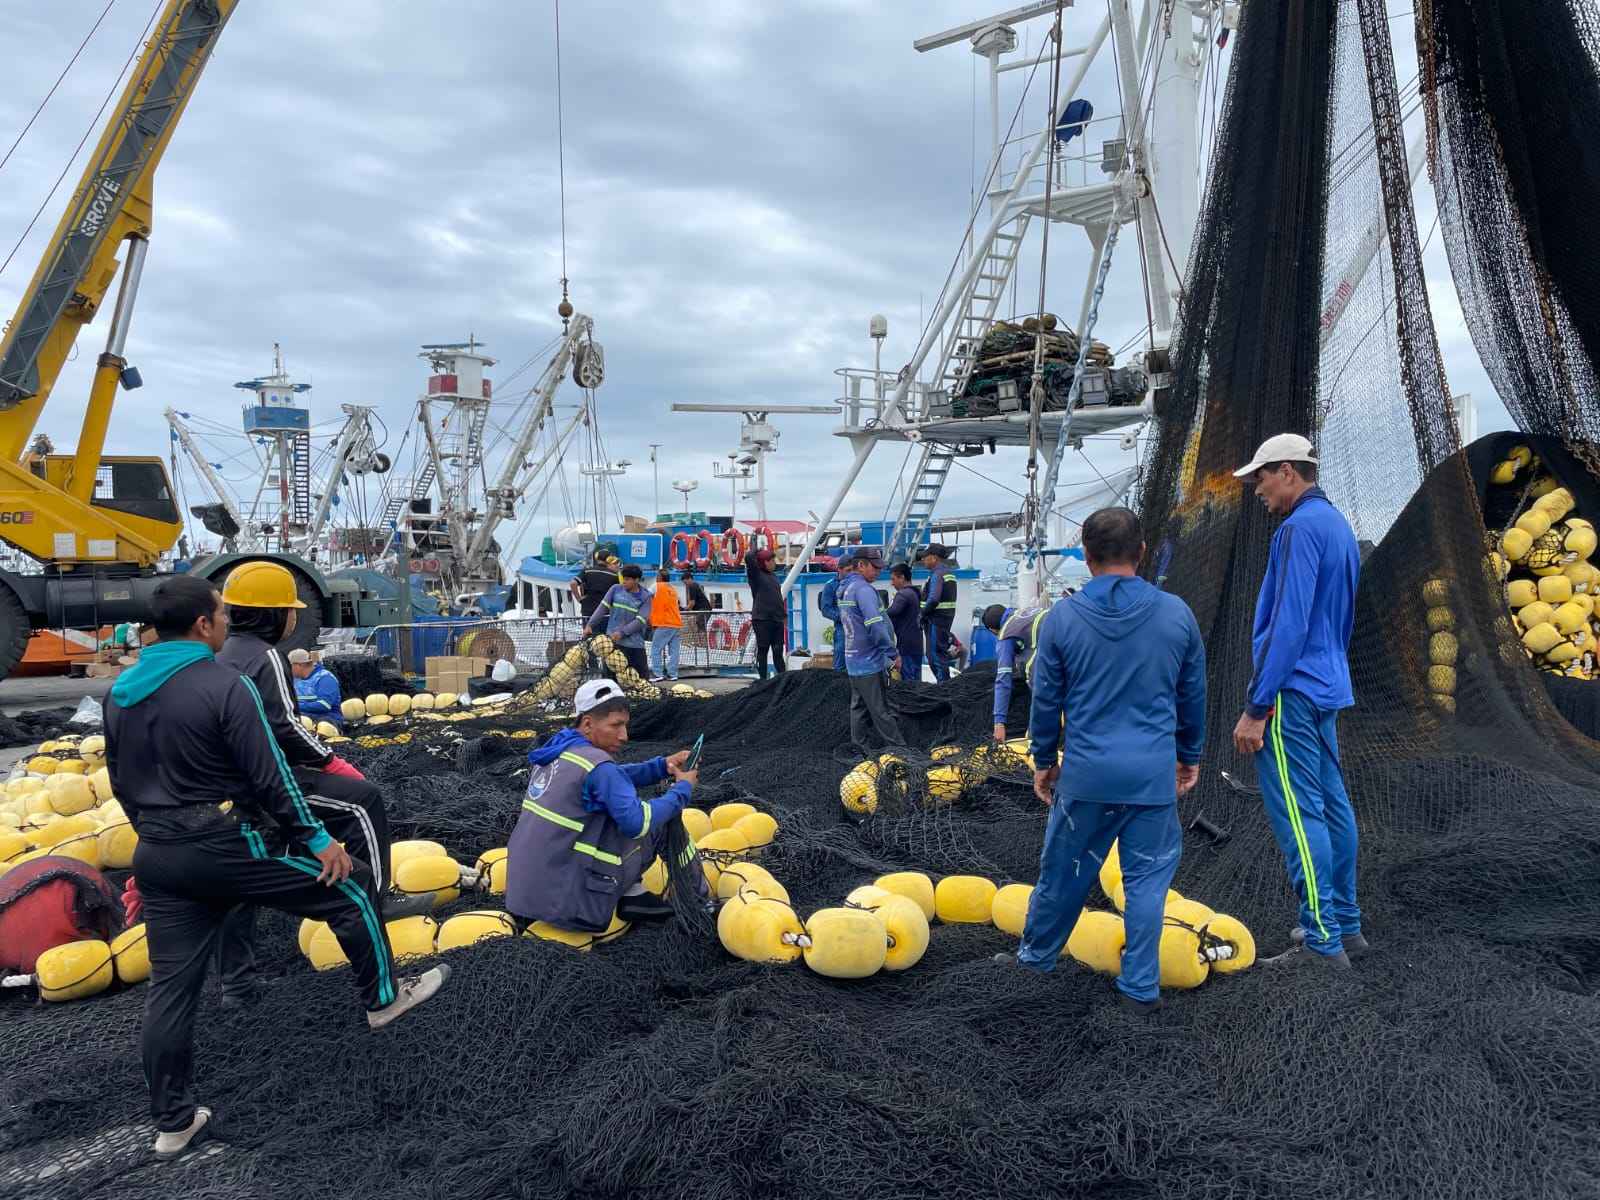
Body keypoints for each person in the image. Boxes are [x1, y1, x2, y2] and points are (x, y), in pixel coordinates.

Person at [105, 575, 448, 1159]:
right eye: (220, 614)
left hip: (159, 852)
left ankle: (173, 1123)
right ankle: (384, 1000)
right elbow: (270, 776)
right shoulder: (224, 685)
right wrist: (317, 839)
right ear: (202, 625)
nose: (225, 621)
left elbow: (120, 781)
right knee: (354, 886)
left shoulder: (120, 693)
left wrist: (152, 845)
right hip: (225, 841)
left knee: (171, 990)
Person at [996, 508, 1205, 1011]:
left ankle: (1036, 961)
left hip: (1086, 777)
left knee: (1062, 876)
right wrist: (1188, 755)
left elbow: (1046, 699)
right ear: (1142, 551)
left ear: (1086, 557)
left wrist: (1044, 760)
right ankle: (1140, 986)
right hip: (1152, 775)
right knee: (1147, 884)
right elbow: (1192, 694)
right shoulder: (1177, 613)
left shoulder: (1062, 619)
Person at [213, 563, 425, 1008]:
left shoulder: (222, 656)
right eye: (291, 610)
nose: (295, 617)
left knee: (235, 881)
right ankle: (375, 901)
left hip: (228, 788)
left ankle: (237, 984)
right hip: (268, 780)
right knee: (364, 802)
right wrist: (330, 761)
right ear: (274, 615)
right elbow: (284, 726)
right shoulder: (266, 656)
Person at [1229, 434, 1363, 970]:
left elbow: (1288, 625)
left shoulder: (1296, 530)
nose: (1256, 488)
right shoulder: (1337, 526)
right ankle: (1346, 925)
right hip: (1327, 684)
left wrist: (1257, 706)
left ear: (1287, 471)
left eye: (1260, 476)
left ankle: (1322, 941)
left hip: (1291, 691)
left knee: (1301, 815)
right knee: (1333, 807)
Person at [507, 679, 701, 930]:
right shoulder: (598, 766)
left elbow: (613, 778)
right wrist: (682, 790)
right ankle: (699, 901)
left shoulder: (558, 751)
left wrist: (662, 766)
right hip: (570, 906)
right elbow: (638, 823)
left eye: (625, 725)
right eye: (616, 725)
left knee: (612, 813)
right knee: (660, 822)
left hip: (524, 894)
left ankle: (633, 892)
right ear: (588, 724)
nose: (624, 735)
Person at [839, 547, 905, 750]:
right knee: (880, 710)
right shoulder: (864, 590)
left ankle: (859, 749)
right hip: (869, 661)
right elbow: (875, 625)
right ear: (861, 565)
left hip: (853, 660)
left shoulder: (846, 588)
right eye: (874, 567)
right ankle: (901, 750)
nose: (878, 571)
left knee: (858, 707)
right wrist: (892, 653)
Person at [983, 601, 1048, 743]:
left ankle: (1036, 742)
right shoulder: (1026, 612)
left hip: (1053, 657)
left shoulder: (1006, 634)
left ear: (992, 630)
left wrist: (999, 723)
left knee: (1033, 673)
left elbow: (1003, 679)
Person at [586, 563, 653, 681]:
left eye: (627, 579)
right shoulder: (615, 589)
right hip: (612, 645)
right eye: (623, 578)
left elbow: (640, 621)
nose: (624, 582)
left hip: (634, 646)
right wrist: (590, 624)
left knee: (641, 680)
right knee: (610, 680)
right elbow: (602, 608)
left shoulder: (646, 597)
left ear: (636, 580)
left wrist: (622, 633)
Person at [744, 544, 787, 680]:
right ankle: (763, 679)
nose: (774, 563)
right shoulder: (756, 575)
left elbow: (777, 598)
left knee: (778, 650)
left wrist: (783, 616)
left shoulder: (773, 576)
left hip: (776, 619)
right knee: (763, 650)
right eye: (772, 560)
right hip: (762, 619)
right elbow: (748, 557)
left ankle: (783, 678)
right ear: (765, 562)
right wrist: (759, 549)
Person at [919, 543, 959, 681]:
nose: (923, 560)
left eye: (925, 557)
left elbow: (934, 599)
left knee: (935, 657)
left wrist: (921, 614)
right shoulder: (947, 573)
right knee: (938, 654)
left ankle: (944, 687)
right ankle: (945, 685)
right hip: (943, 620)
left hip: (935, 621)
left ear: (934, 558)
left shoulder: (938, 574)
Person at [887, 563, 924, 681]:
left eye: (893, 579)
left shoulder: (903, 594)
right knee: (917, 680)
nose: (892, 583)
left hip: (906, 646)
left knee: (908, 682)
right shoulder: (916, 593)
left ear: (902, 577)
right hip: (917, 644)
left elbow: (891, 612)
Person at [288, 648, 343, 728]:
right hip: (303, 717)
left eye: (290, 666)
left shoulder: (325, 678)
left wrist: (294, 706)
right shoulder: (295, 680)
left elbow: (324, 705)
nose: (288, 669)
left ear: (299, 665)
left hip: (327, 719)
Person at [648, 567, 683, 682]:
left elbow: (644, 596)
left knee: (655, 649)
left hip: (664, 623)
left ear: (659, 577)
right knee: (674, 651)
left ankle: (657, 673)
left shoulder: (656, 586)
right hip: (676, 623)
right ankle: (673, 674)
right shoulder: (673, 589)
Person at [572, 547, 620, 622]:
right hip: (604, 612)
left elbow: (573, 583)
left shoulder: (587, 571)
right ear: (609, 559)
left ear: (597, 558)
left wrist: (579, 599)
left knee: (588, 629)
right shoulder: (614, 575)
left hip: (587, 610)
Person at [817, 560, 848, 671]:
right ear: (839, 569)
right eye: (848, 570)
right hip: (842, 627)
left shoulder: (858, 584)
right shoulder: (830, 586)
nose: (850, 573)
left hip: (859, 626)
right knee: (841, 652)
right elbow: (825, 609)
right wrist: (842, 617)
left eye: (853, 570)